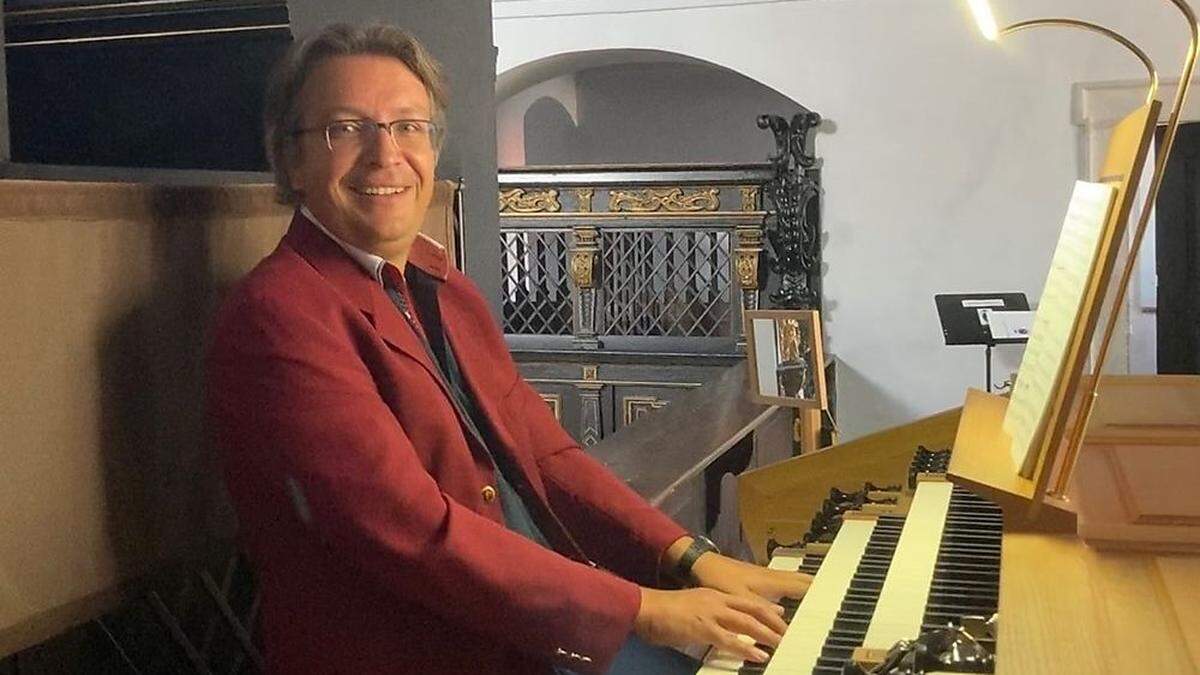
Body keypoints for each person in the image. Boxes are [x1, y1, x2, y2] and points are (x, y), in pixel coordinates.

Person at [207, 22, 810, 675]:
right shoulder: (278, 317)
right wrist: (648, 608)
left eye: (409, 126)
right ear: (291, 158)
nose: (387, 154)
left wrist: (690, 557)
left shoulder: (443, 288)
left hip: (527, 636)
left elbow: (547, 455)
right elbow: (413, 532)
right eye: (347, 128)